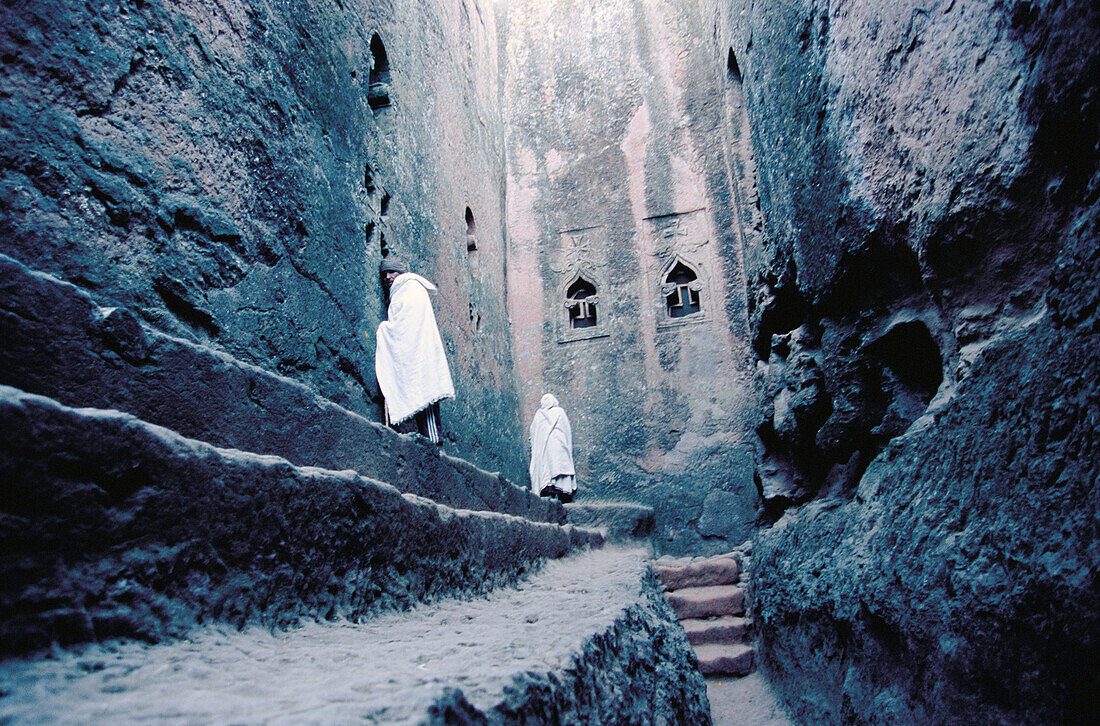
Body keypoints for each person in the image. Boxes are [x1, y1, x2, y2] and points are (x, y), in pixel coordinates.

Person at [375, 258, 455, 444]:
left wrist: (387, 330)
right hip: (413, 350)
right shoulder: (400, 292)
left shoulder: (411, 287)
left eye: (392, 272)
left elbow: (409, 320)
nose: (388, 277)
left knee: (426, 391)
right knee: (419, 390)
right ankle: (429, 440)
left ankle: (434, 443)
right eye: (384, 274)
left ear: (400, 272)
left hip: (421, 350)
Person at [529, 393, 576, 503]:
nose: (545, 401)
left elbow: (565, 429)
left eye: (547, 399)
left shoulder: (557, 412)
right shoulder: (540, 414)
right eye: (543, 399)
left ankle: (558, 487)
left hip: (557, 442)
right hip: (549, 444)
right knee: (549, 465)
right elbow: (535, 429)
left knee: (556, 464)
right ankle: (550, 486)